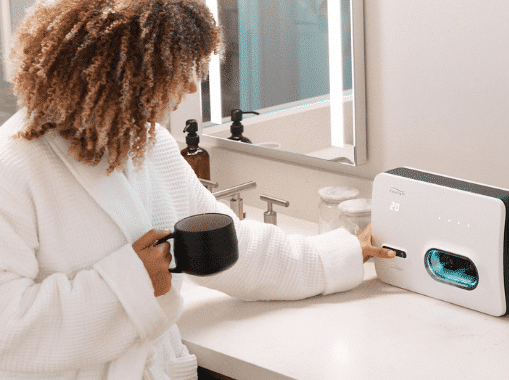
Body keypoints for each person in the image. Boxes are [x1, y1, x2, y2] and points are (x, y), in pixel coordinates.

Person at [0, 0, 394, 378]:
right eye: (176, 68)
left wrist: (341, 253)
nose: (190, 86)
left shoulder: (148, 146)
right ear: (123, 74)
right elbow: (7, 330)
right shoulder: (13, 168)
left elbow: (231, 246)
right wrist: (134, 282)